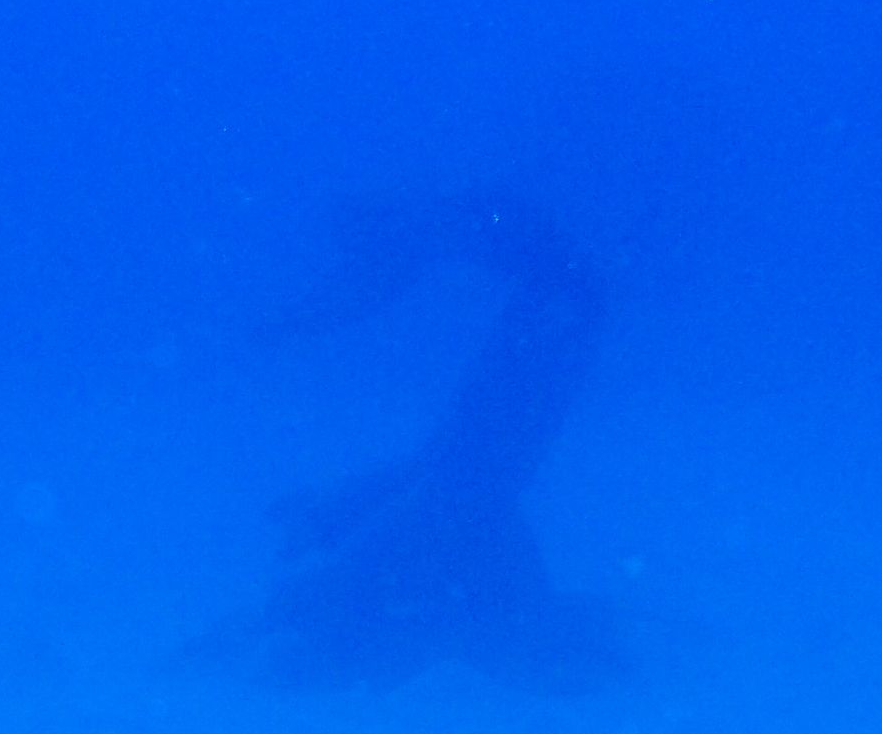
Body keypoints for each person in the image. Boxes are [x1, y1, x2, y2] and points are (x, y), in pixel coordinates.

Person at [222, 189, 607, 691]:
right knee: (468, 466)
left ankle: (331, 609)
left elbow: (373, 286)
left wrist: (296, 322)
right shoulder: (460, 232)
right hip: (554, 308)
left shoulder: (437, 224)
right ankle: (511, 625)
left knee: (468, 473)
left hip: (553, 311)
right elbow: (377, 285)